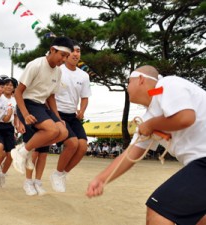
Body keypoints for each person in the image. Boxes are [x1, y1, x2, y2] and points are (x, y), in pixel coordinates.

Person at [86, 65, 206, 225]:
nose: (127, 88)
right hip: (200, 163)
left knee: (159, 210)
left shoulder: (167, 85)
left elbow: (185, 118)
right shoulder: (150, 114)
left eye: (129, 82)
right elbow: (131, 154)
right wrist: (101, 179)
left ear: (141, 79)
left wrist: (151, 125)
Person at [11, 36, 74, 175]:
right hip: (27, 103)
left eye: (67, 56)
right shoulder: (36, 65)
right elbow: (17, 92)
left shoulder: (58, 71)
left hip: (41, 106)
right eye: (62, 55)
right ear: (52, 50)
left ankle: (27, 150)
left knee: (63, 132)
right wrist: (25, 115)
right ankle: (21, 152)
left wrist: (58, 118)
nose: (64, 60)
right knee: (52, 131)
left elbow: (51, 97)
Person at [50, 40, 92, 192]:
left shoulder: (84, 76)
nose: (76, 54)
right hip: (57, 113)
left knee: (82, 147)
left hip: (73, 115)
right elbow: (50, 95)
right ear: (66, 55)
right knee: (72, 143)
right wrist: (55, 116)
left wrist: (82, 111)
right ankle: (57, 173)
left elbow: (85, 97)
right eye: (73, 51)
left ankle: (61, 174)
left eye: (78, 51)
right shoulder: (57, 71)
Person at [0, 76, 18, 187]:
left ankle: (2, 174)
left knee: (10, 155)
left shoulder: (15, 100)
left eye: (11, 85)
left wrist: (17, 126)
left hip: (9, 128)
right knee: (1, 154)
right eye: (6, 84)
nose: (9, 87)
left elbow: (15, 115)